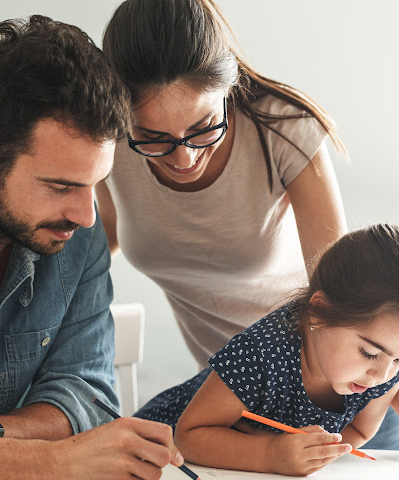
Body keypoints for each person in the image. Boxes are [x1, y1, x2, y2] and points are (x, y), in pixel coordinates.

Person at [96, 0, 399, 448]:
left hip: (338, 403)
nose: (184, 158)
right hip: (236, 406)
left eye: (204, 127)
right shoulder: (110, 145)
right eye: (153, 139)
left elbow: (342, 288)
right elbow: (106, 237)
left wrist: (384, 360)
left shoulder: (283, 131)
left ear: (228, 89)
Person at [0, 15, 182, 478]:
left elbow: (87, 394)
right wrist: (51, 460)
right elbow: (73, 437)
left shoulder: (78, 237)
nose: (87, 216)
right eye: (61, 187)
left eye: (96, 184)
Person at [133, 224, 399, 476]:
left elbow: (359, 431)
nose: (382, 375)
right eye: (369, 353)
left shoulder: (382, 369)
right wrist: (272, 454)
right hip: (159, 455)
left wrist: (313, 451)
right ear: (320, 311)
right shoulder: (260, 352)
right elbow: (190, 435)